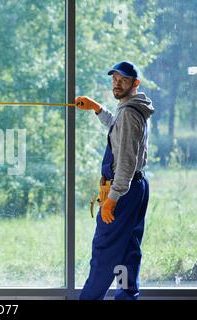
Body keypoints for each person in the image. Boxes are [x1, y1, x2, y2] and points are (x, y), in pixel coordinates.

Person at [75, 61, 154, 300]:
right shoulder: (131, 108)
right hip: (137, 187)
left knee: (105, 249)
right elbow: (117, 128)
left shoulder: (129, 112)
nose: (117, 84)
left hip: (123, 191)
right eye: (115, 80)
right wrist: (97, 109)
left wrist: (112, 198)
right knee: (128, 251)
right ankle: (127, 297)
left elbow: (126, 161)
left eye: (124, 80)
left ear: (135, 83)